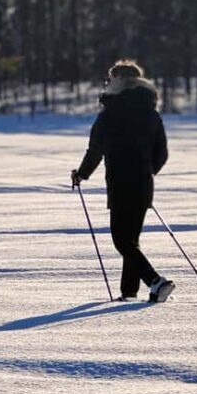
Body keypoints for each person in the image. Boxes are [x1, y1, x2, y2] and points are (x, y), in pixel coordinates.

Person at [71, 59, 175, 303]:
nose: (107, 83)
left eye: (110, 79)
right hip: (143, 185)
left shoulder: (112, 112)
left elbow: (96, 148)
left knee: (121, 240)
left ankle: (155, 281)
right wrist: (145, 171)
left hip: (120, 184)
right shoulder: (151, 113)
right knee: (131, 240)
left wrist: (82, 174)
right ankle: (129, 294)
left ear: (118, 82)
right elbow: (162, 154)